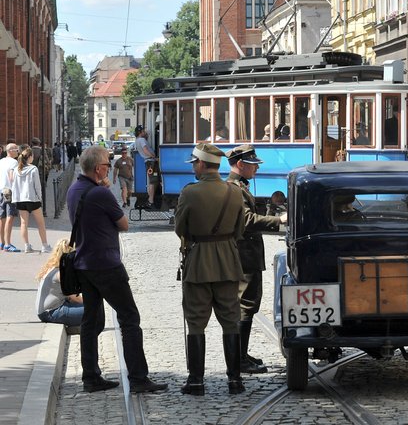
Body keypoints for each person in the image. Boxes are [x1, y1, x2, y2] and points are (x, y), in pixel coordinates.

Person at [67, 146, 167, 394]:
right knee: (130, 318)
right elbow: (124, 224)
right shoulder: (101, 194)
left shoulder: (73, 189)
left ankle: (90, 377)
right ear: (99, 168)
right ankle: (138, 378)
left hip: (84, 264)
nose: (109, 169)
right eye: (107, 165)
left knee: (90, 321)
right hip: (106, 265)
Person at [175, 143, 246, 395]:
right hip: (228, 261)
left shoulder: (190, 193)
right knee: (230, 320)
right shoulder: (234, 192)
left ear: (202, 164)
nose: (194, 167)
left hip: (198, 262)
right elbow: (240, 230)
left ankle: (196, 381)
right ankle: (235, 380)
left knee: (195, 321)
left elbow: (180, 229)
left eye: (195, 163)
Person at [225, 144, 285, 375]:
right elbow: (247, 221)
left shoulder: (238, 187)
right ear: (240, 164)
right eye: (253, 165)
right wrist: (278, 220)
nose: (256, 169)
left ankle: (242, 353)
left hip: (247, 253)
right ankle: (239, 359)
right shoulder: (234, 189)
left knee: (248, 304)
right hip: (244, 254)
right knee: (245, 305)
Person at [10, 147, 51, 253]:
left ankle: (26, 246)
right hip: (32, 199)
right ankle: (45, 245)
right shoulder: (33, 169)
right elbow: (37, 185)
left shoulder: (16, 169)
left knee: (23, 223)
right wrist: (40, 197)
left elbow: (13, 185)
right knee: (40, 223)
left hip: (20, 199)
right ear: (30, 157)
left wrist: (15, 198)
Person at [36, 240, 84, 326]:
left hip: (47, 310)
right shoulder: (61, 273)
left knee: (89, 308)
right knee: (94, 309)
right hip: (51, 312)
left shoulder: (53, 268)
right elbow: (75, 297)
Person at [0, 143, 21, 252]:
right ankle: (8, 244)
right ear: (11, 150)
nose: (18, 151)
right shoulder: (14, 162)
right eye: (16, 149)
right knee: (10, 216)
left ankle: (2, 243)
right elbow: (12, 177)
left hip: (1, 190)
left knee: (2, 217)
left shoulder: (1, 161)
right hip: (9, 191)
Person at [134, 126, 157, 208]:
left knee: (152, 181)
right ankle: (151, 201)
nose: (145, 132)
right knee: (153, 181)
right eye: (143, 131)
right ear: (141, 132)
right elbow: (145, 150)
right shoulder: (142, 140)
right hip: (150, 161)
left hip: (148, 162)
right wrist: (153, 155)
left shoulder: (137, 140)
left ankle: (151, 200)